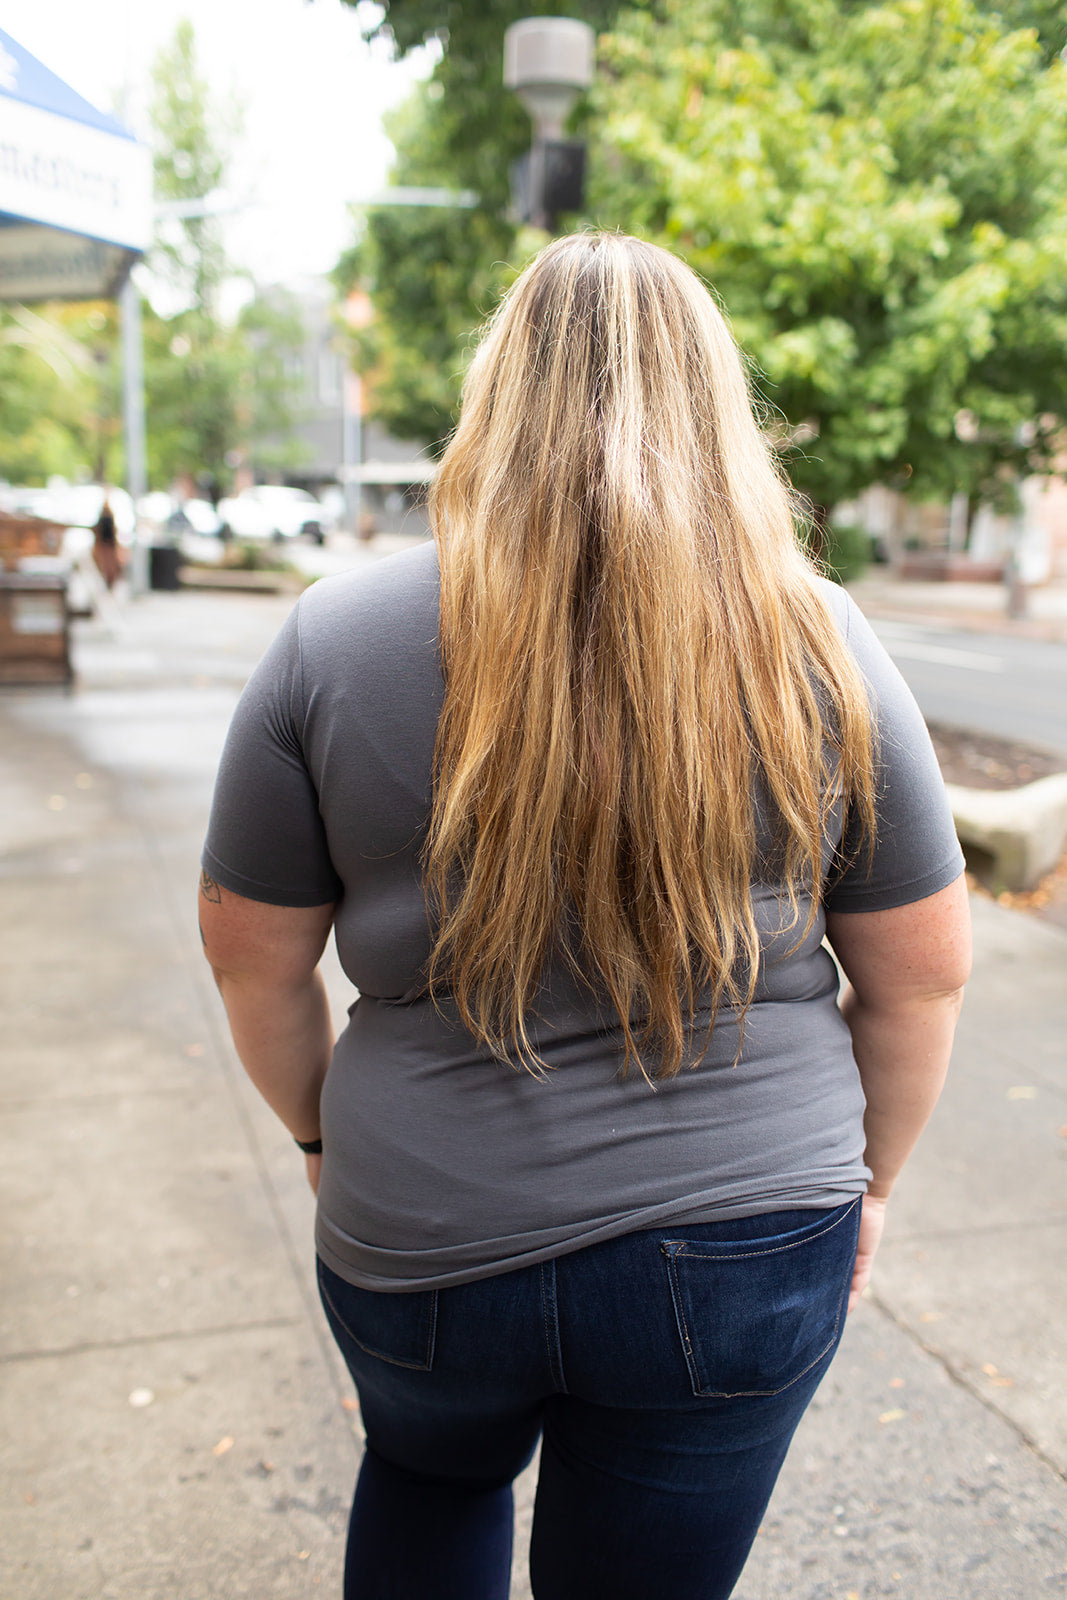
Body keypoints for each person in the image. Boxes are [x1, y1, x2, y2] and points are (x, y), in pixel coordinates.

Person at [199, 232, 971, 1600]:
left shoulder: (332, 639)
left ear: (495, 394)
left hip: (421, 1236)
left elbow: (251, 959)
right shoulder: (819, 642)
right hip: (743, 1241)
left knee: (427, 1483)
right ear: (713, 406)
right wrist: (870, 1186)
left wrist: (322, 1135)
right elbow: (915, 981)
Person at [91, 496, 122, 589]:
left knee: (109, 567)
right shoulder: (105, 516)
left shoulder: (108, 515)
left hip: (108, 545)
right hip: (104, 545)